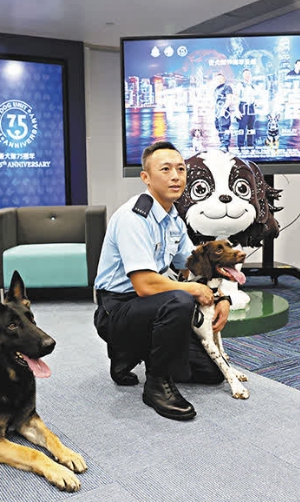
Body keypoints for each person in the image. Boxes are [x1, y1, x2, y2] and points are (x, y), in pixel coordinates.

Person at [93, 141, 229, 422]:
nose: (176, 176)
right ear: (146, 177)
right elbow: (145, 284)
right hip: (116, 310)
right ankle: (156, 383)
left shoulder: (172, 218)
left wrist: (223, 296)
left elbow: (195, 264)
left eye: (181, 169)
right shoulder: (134, 217)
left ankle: (127, 356)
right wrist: (192, 288)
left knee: (211, 373)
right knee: (179, 298)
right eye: (165, 169)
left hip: (148, 306)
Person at [213, 73, 235, 152]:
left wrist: (224, 108)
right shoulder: (216, 89)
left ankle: (225, 145)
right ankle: (222, 144)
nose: (219, 80)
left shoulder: (227, 87)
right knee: (218, 127)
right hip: (217, 112)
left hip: (223, 112)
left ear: (224, 79)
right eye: (218, 79)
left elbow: (229, 98)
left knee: (224, 127)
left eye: (221, 78)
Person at [236, 68, 257, 149]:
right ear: (243, 75)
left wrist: (255, 102)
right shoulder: (240, 85)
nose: (247, 75)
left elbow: (255, 97)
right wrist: (237, 111)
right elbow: (236, 98)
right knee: (242, 127)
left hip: (251, 108)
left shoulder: (252, 86)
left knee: (251, 128)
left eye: (249, 74)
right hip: (243, 107)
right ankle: (240, 146)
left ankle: (250, 145)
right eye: (245, 74)